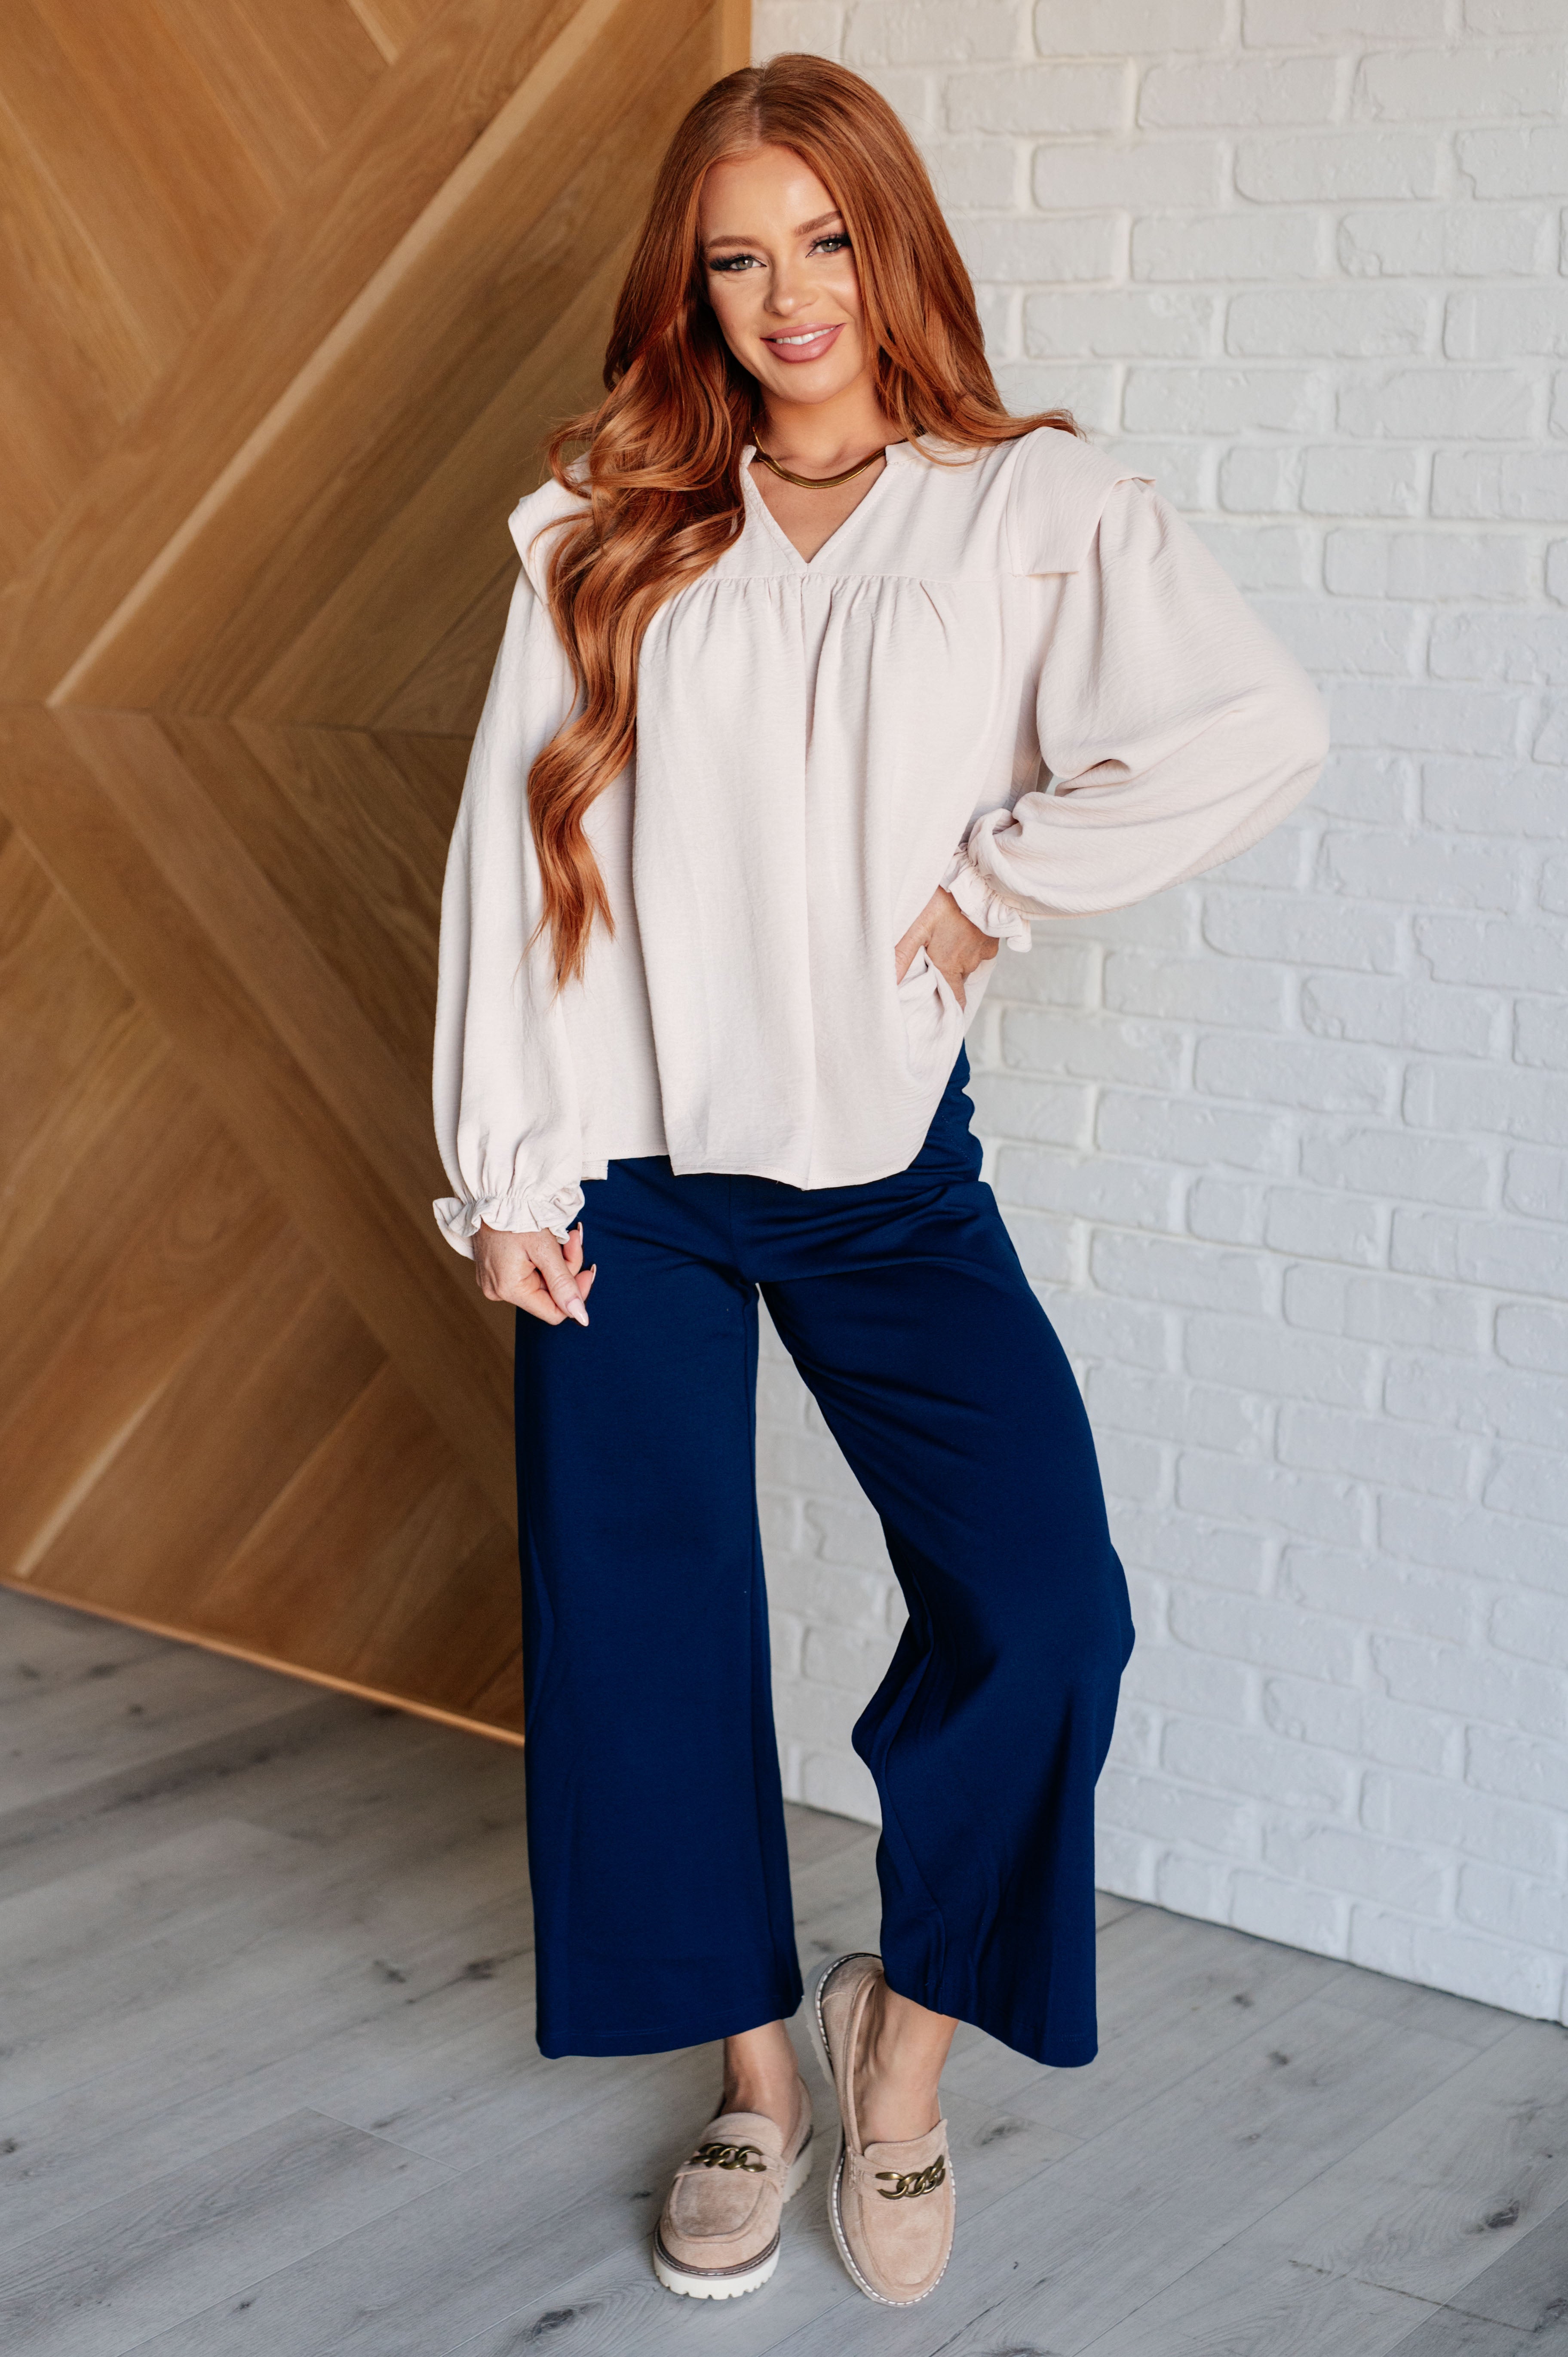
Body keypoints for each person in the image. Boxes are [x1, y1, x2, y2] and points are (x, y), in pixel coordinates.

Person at [432, 52, 1328, 2311]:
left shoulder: (1026, 507)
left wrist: (993, 890)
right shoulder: (614, 521)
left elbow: (1253, 726)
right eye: (737, 256)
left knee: (1048, 1608)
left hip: (879, 1171)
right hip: (626, 1170)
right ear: (694, 287)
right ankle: (752, 2081)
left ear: (891, 241)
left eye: (824, 239)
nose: (788, 293)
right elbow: (511, 858)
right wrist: (508, 1167)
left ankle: (894, 2058)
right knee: (641, 1630)